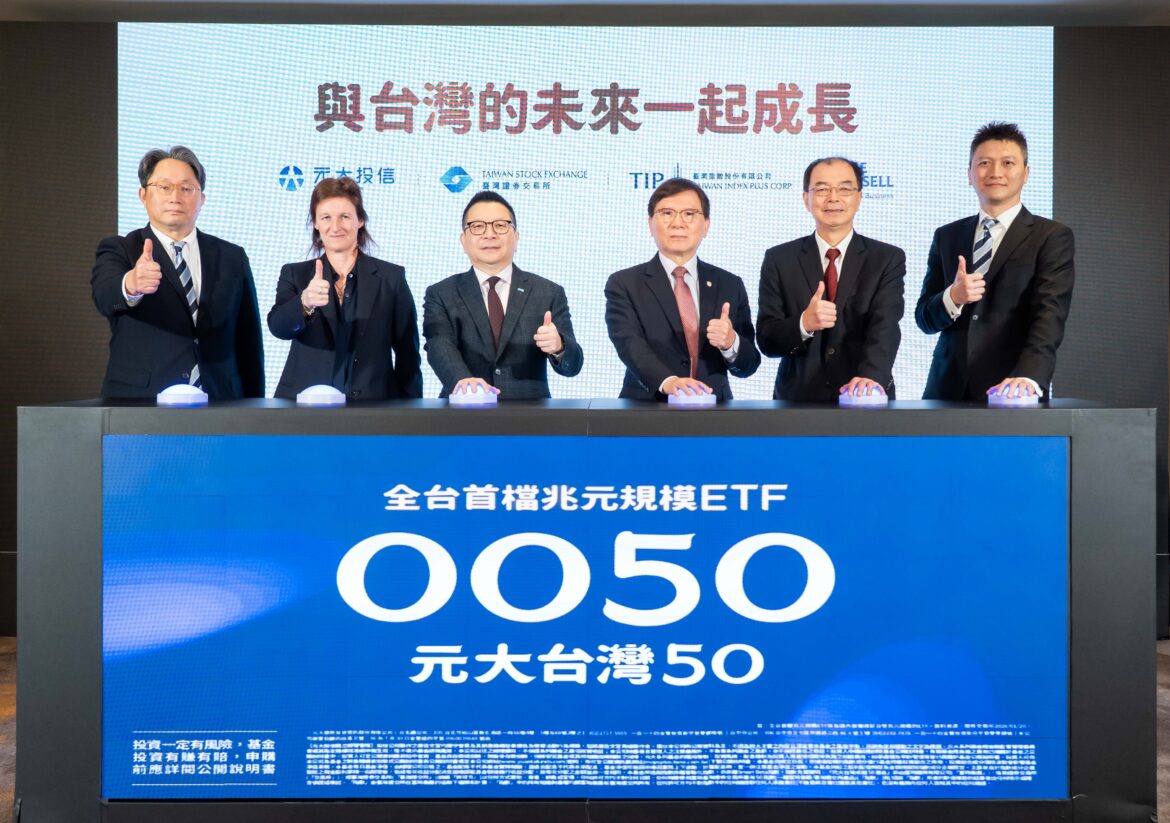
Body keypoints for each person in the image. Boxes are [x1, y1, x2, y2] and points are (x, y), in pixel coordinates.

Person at [916, 122, 1075, 400]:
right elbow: (925, 319)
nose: (995, 173)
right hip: (946, 391)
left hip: (1013, 389)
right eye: (984, 163)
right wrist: (953, 297)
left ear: (1026, 173)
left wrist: (1029, 376)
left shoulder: (1050, 236)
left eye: (1008, 163)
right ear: (969, 174)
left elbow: (1049, 314)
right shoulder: (947, 236)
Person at [91, 146, 264, 399]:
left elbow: (249, 340)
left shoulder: (231, 256)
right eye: (164, 187)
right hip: (141, 401)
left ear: (201, 199)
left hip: (222, 400)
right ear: (143, 195)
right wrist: (131, 284)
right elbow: (105, 295)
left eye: (186, 188)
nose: (175, 197)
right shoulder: (121, 249)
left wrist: (254, 407)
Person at [755, 158, 905, 402]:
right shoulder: (779, 259)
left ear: (859, 198)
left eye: (844, 189)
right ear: (806, 199)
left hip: (865, 396)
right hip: (797, 401)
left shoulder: (886, 258)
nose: (833, 198)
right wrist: (803, 323)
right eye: (822, 189)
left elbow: (886, 325)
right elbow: (767, 340)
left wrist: (871, 377)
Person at [604, 178, 759, 401]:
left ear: (706, 225)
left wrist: (730, 343)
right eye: (667, 213)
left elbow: (749, 365)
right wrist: (669, 382)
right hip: (646, 409)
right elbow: (629, 345)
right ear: (650, 223)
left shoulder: (730, 284)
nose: (678, 223)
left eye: (689, 214)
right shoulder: (624, 283)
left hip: (715, 410)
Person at [268, 177, 421, 400]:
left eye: (345, 217)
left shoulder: (391, 278)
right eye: (326, 217)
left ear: (360, 220)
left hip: (374, 405)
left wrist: (410, 410)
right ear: (316, 223)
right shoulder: (295, 274)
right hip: (305, 404)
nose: (336, 227)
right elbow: (279, 328)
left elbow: (408, 354)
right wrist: (304, 302)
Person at [423, 191, 583, 399]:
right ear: (463, 240)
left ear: (516, 237)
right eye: (477, 226)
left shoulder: (548, 292)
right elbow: (438, 344)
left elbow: (573, 366)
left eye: (500, 225)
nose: (490, 234)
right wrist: (464, 382)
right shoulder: (441, 293)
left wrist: (559, 346)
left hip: (531, 413)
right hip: (463, 409)